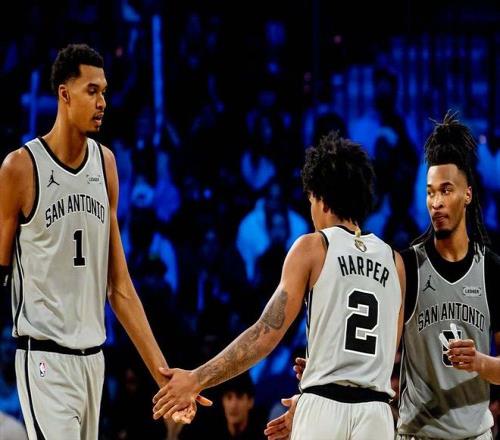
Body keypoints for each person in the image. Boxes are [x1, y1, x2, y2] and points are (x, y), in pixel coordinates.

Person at [0, 43, 209, 439]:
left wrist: (164, 378)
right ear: (65, 94)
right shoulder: (21, 168)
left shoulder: (106, 164)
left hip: (94, 360)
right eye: (92, 91)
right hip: (43, 358)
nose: (102, 103)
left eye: (105, 92)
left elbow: (120, 287)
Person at [152, 131, 406, 439]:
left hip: (324, 410)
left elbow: (265, 333)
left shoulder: (313, 247)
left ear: (322, 200)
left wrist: (196, 379)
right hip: (377, 414)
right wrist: (324, 364)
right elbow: (385, 354)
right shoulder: (395, 261)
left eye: (311, 201)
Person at [266, 111, 500, 440]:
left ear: (468, 194)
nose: (436, 202)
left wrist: (480, 363)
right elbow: (372, 349)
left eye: (446, 191)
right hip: (415, 433)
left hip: (475, 434)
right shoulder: (404, 265)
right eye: (430, 192)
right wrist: (325, 373)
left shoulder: (491, 269)